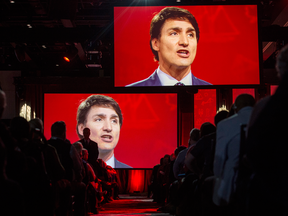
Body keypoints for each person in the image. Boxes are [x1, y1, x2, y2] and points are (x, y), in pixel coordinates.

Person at [126, 7, 211, 87]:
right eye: (174, 33)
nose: (185, 42)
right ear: (156, 43)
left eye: (190, 35)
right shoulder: (131, 89)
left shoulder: (211, 88)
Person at [77, 94, 132, 168]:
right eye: (99, 119)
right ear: (82, 128)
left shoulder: (128, 170)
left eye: (113, 121)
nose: (108, 128)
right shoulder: (70, 172)